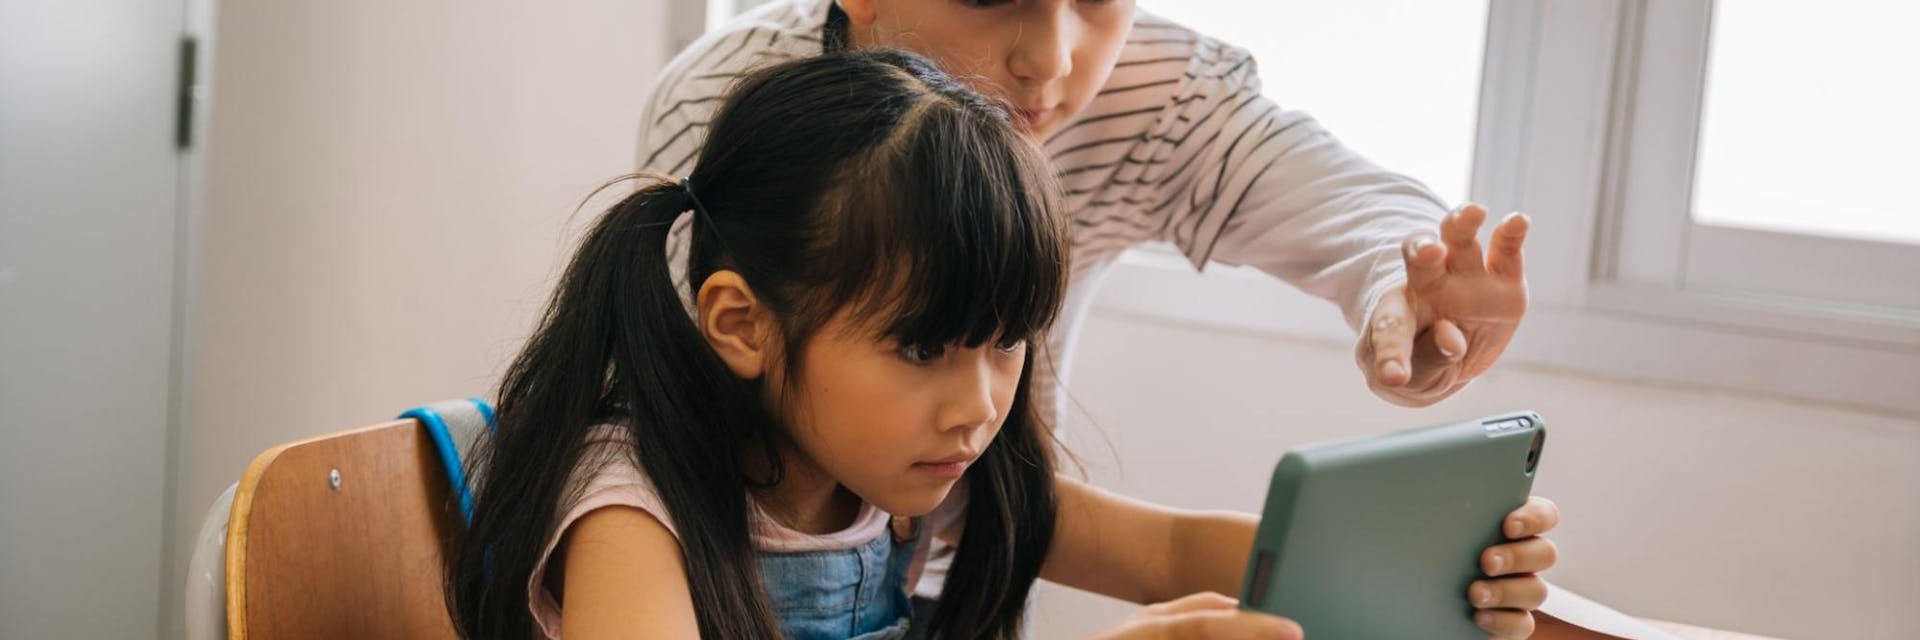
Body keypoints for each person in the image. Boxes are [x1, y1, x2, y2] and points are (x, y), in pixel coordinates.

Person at [448, 50, 1560, 639]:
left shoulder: (897, 470)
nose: (978, 404)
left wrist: (1429, 571)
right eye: (924, 347)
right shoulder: (630, 509)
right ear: (742, 323)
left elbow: (1173, 554)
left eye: (1007, 344)